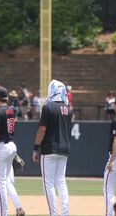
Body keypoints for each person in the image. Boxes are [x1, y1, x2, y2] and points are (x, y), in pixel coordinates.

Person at [32, 80, 72, 216]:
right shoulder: (68, 109)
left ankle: (53, 213)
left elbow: (42, 130)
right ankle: (65, 213)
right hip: (64, 149)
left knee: (48, 183)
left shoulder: (48, 107)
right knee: (61, 181)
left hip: (49, 149)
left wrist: (35, 148)